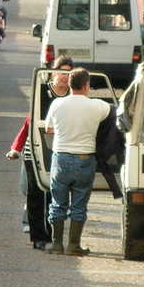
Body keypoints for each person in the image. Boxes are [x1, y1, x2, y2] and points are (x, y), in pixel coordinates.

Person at [6, 56, 73, 250]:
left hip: (60, 150)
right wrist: (15, 148)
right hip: (34, 148)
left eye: (68, 74)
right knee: (35, 194)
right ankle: (38, 237)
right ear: (53, 72)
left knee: (55, 194)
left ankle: (52, 235)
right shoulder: (41, 92)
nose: (64, 77)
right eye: (61, 72)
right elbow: (29, 121)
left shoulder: (73, 95)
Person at [45, 67, 111, 255]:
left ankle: (56, 244)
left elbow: (48, 129)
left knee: (58, 203)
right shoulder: (98, 106)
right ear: (86, 85)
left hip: (61, 158)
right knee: (79, 204)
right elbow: (114, 115)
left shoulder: (57, 104)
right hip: (85, 159)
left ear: (71, 84)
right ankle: (74, 245)